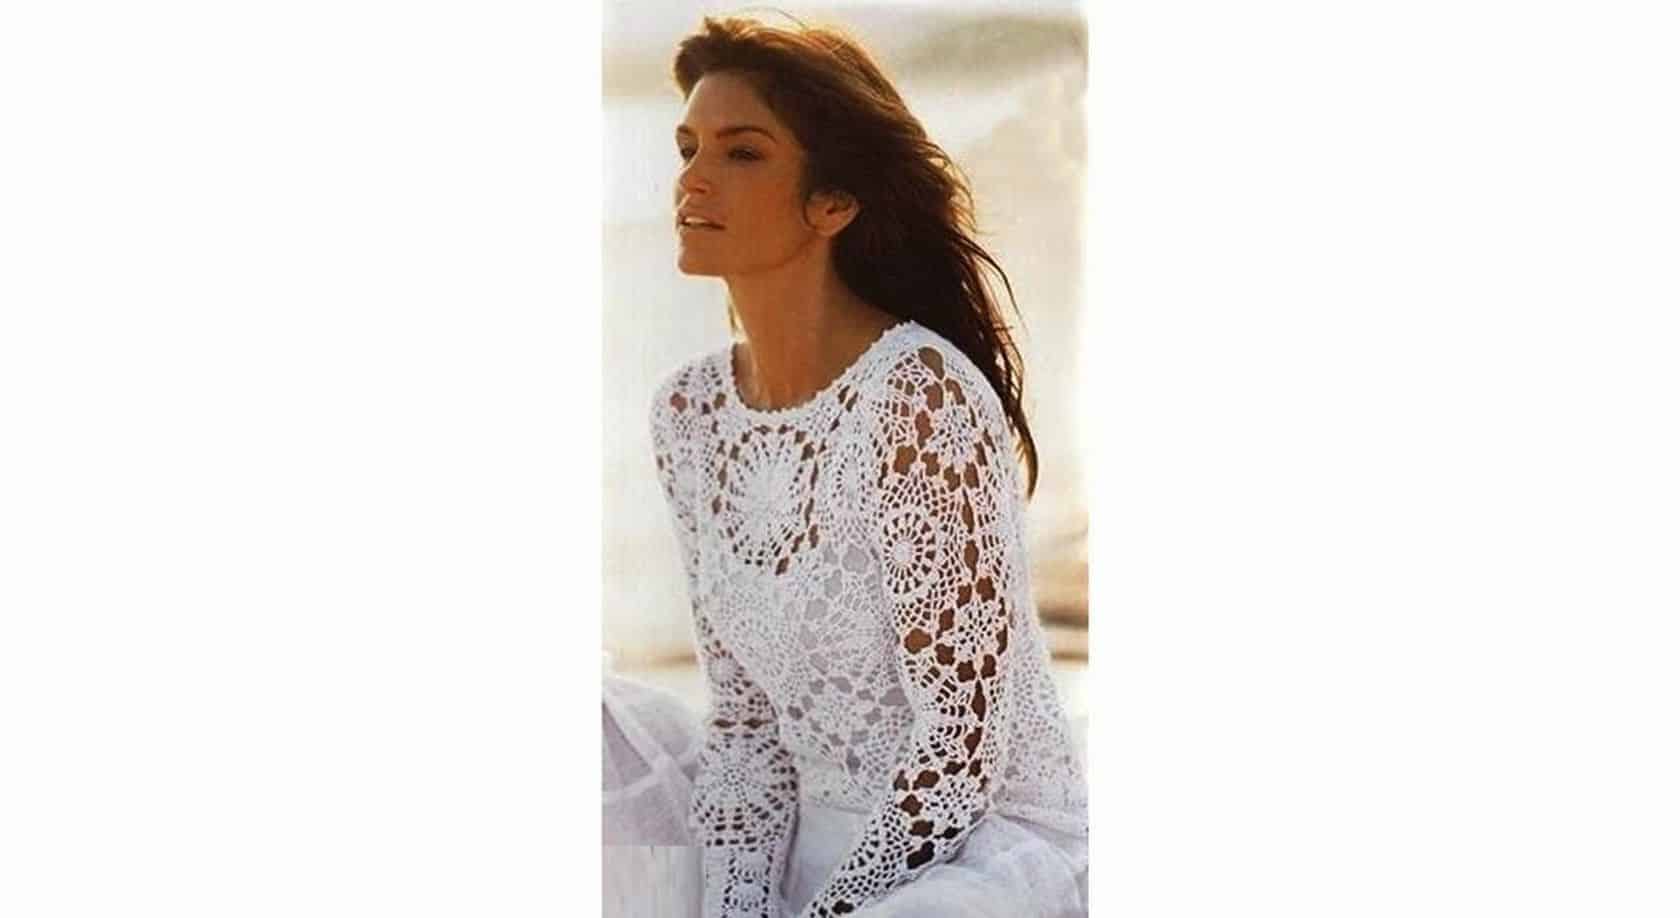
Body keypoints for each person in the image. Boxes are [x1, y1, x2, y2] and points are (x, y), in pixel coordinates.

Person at [638, 15, 1088, 917]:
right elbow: (746, 730)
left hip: (973, 846)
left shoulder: (918, 397)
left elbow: (960, 746)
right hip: (815, 838)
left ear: (834, 203)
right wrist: (740, 907)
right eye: (688, 148)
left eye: (742, 153)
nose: (692, 179)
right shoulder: (689, 413)